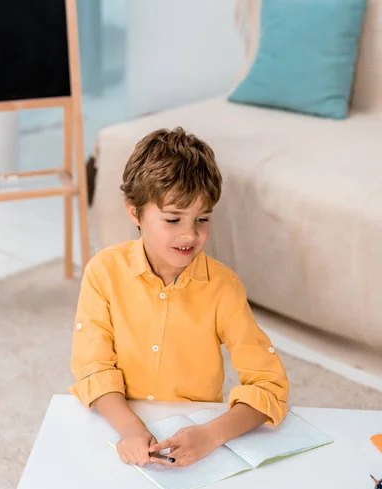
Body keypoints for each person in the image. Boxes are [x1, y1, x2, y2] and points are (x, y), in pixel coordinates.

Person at [69, 127, 289, 468]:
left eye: (202, 219)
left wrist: (211, 435)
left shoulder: (223, 287)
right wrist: (130, 428)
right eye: (173, 219)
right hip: (118, 425)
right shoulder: (104, 272)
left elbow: (269, 385)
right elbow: (92, 368)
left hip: (196, 440)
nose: (190, 234)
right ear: (134, 212)